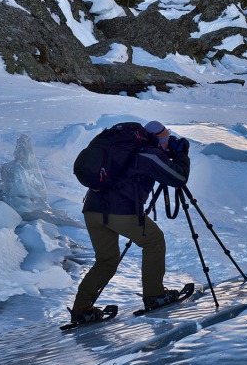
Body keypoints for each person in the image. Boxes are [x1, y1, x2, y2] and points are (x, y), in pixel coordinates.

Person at [69, 120, 192, 323]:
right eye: (166, 138)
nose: (168, 141)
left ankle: (81, 309)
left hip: (92, 210)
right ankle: (155, 296)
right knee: (153, 241)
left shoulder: (125, 147)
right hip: (120, 212)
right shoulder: (148, 153)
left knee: (106, 260)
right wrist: (181, 154)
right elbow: (178, 177)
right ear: (158, 138)